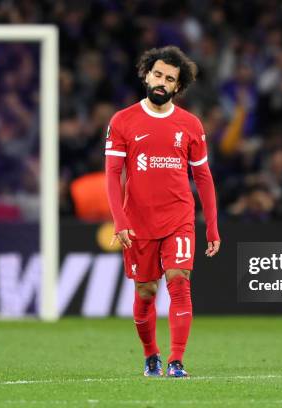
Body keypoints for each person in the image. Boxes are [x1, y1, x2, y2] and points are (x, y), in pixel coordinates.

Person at [105, 46, 220, 377]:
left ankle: (176, 360)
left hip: (179, 217)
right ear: (146, 74)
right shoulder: (122, 121)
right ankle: (151, 354)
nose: (162, 82)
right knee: (146, 291)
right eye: (158, 74)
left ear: (177, 86)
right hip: (139, 221)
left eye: (170, 79)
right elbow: (113, 175)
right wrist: (121, 220)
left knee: (179, 282)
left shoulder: (190, 124)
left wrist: (211, 226)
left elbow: (203, 177)